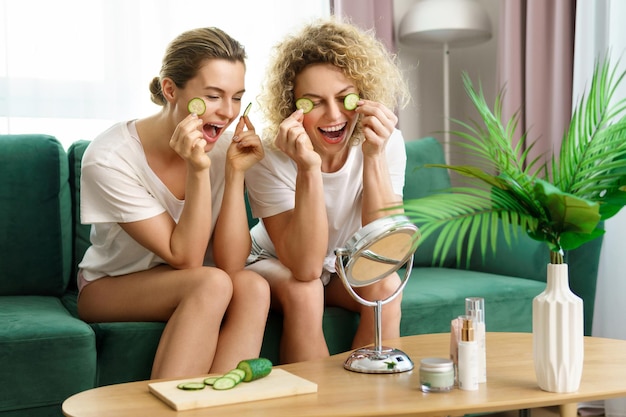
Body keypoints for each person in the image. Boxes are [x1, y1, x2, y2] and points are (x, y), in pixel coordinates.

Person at [76, 27, 270, 379]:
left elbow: (231, 263)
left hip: (197, 280)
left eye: (237, 97)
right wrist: (198, 170)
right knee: (209, 283)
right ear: (170, 90)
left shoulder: (226, 149)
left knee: (253, 286)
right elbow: (186, 257)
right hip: (112, 285)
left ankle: (224, 404)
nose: (228, 113)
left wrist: (235, 173)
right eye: (213, 96)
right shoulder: (109, 157)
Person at [245, 18, 411, 364]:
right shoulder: (270, 156)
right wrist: (308, 166)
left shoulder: (386, 141)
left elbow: (385, 249)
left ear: (362, 97)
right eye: (313, 102)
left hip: (342, 265)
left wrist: (374, 155)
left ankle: (372, 400)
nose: (334, 115)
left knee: (387, 287)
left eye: (345, 98)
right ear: (292, 108)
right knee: (305, 291)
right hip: (274, 261)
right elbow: (305, 267)